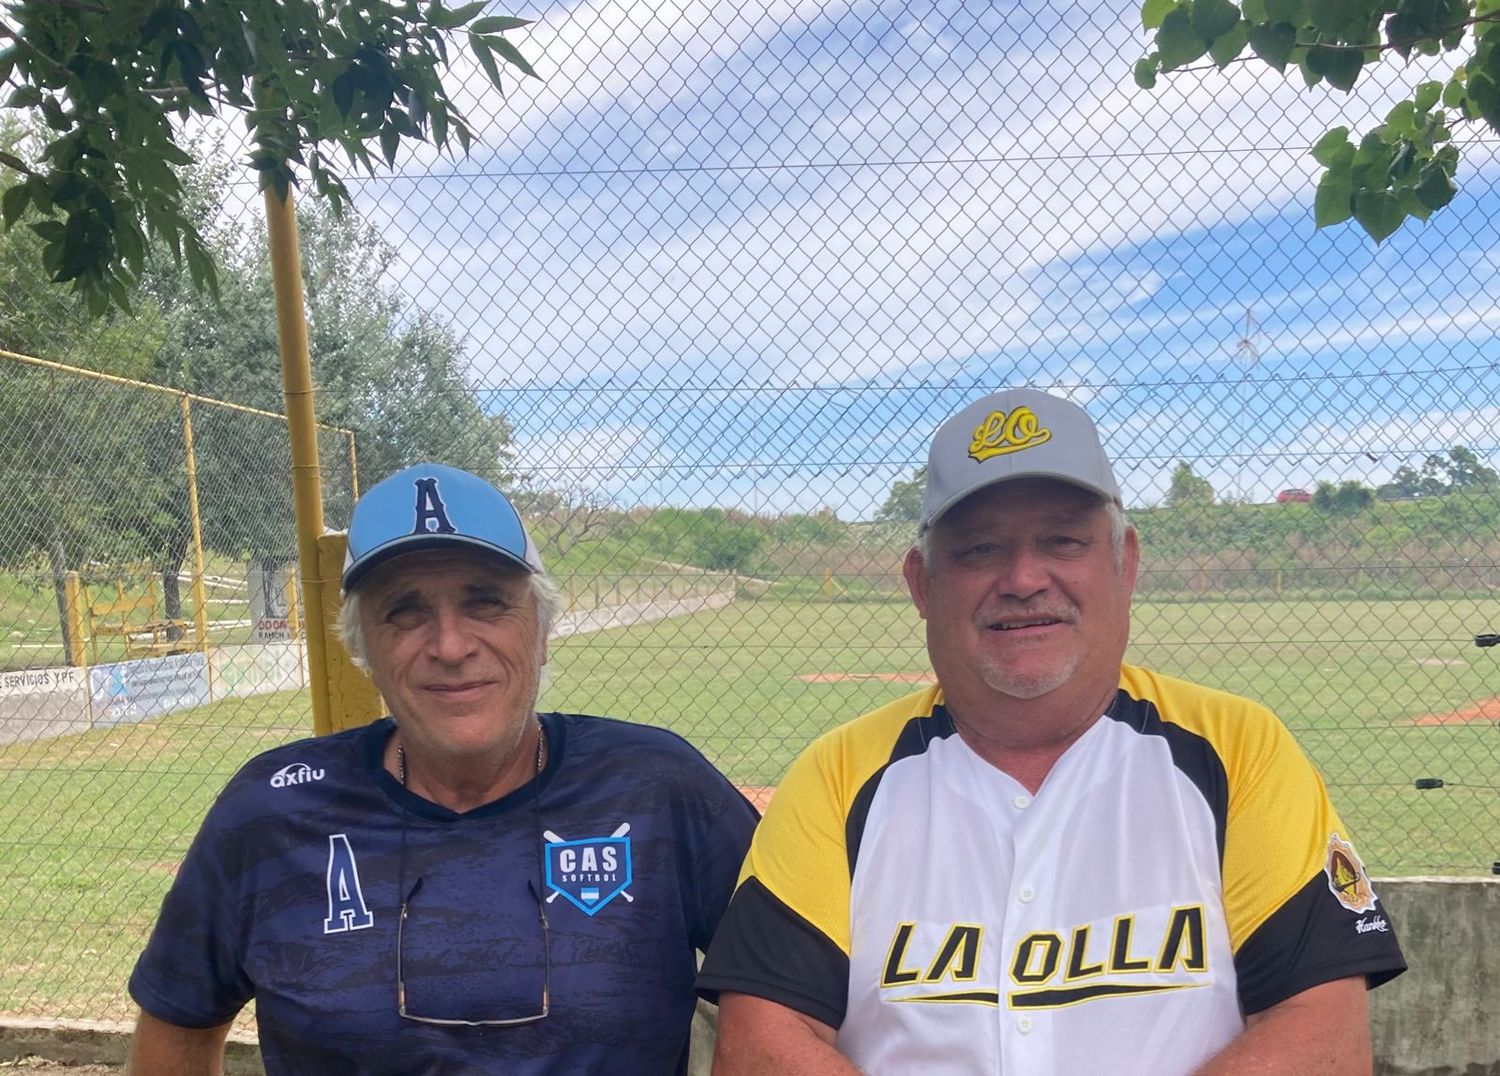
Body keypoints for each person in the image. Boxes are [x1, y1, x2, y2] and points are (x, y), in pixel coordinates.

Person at [699, 389, 1406, 1074]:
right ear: (922, 583)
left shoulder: (1239, 749)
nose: (1024, 578)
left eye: (1062, 541)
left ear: (1125, 563)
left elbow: (1323, 1040)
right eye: (978, 550)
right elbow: (760, 1047)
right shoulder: (838, 774)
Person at [128, 462, 758, 1075]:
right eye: (405, 611)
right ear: (361, 648)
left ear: (541, 630)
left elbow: (792, 997)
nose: (451, 646)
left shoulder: (657, 786)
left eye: (485, 602)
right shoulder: (271, 809)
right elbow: (178, 1026)